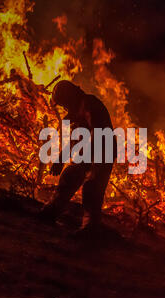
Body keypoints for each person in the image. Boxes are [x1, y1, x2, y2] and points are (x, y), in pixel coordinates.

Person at [38, 80, 117, 237]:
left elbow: (98, 132)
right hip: (87, 152)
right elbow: (72, 142)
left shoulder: (89, 104)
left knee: (92, 188)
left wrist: (87, 157)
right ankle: (51, 211)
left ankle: (90, 229)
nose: (65, 108)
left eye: (64, 103)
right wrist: (61, 158)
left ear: (71, 98)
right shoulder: (72, 116)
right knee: (69, 177)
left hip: (104, 150)